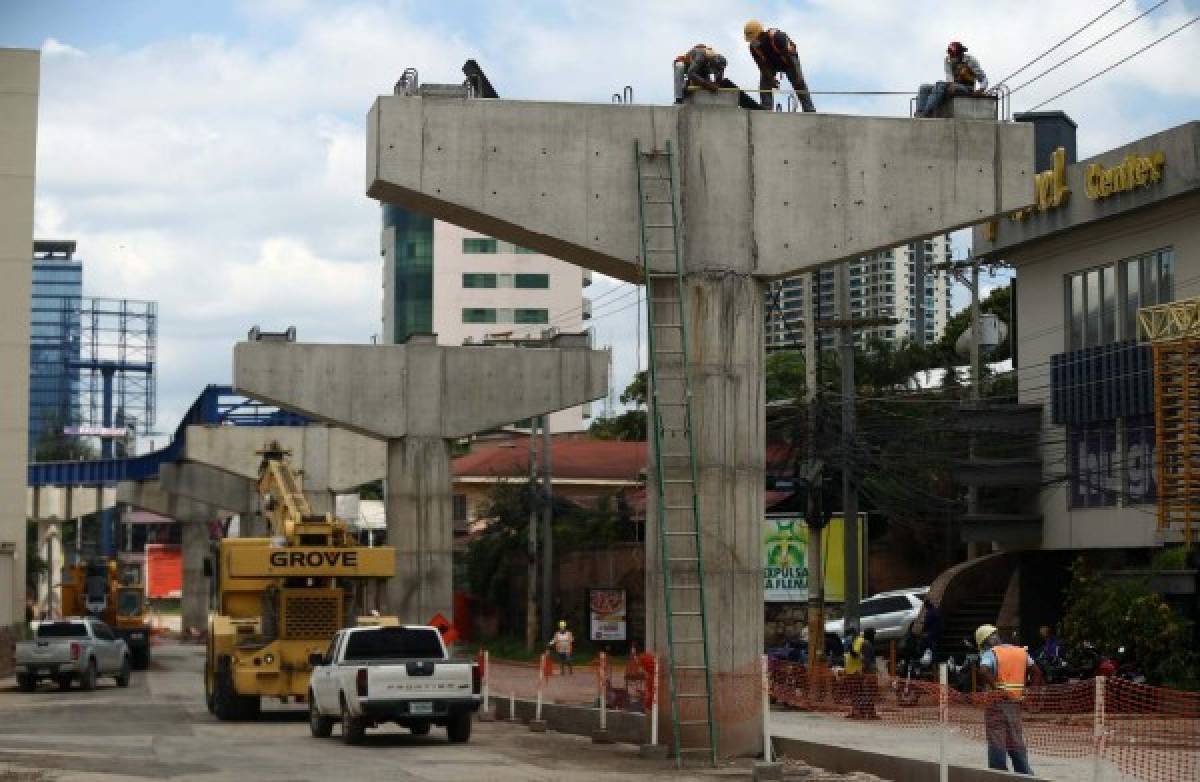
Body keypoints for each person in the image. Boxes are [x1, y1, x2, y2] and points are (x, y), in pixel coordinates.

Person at [976, 624, 1042, 775]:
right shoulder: (1020, 652)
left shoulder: (991, 653)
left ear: (984, 642)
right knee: (1015, 740)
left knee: (997, 739)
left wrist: (996, 688)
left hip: (996, 703)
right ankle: (1025, 775)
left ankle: (998, 775)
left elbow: (983, 670)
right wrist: (1031, 693)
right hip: (1015, 703)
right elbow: (1037, 672)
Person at [743, 20, 816, 112]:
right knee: (765, 82)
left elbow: (789, 58)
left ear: (760, 34)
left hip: (787, 60)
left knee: (799, 83)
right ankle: (766, 108)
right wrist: (771, 79)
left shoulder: (777, 37)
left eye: (754, 38)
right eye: (751, 40)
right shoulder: (753, 48)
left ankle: (809, 109)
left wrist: (796, 75)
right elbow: (762, 66)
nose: (752, 41)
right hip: (771, 64)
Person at [915, 41, 987, 117]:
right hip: (952, 86)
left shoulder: (970, 60)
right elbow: (949, 75)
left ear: (960, 54)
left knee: (940, 84)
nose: (950, 56)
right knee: (924, 87)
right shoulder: (948, 60)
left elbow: (983, 78)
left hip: (966, 88)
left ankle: (926, 112)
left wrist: (981, 89)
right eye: (950, 53)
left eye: (952, 54)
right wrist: (951, 84)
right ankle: (919, 113)